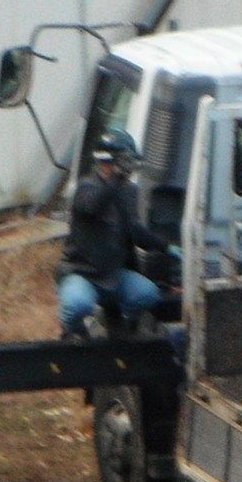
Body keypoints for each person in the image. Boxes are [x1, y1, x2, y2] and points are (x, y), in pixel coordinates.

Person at [57, 130, 167, 340]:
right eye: (124, 165)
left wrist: (164, 246)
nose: (129, 172)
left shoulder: (128, 191)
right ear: (106, 163)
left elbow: (133, 229)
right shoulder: (85, 187)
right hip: (82, 273)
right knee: (77, 304)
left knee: (147, 294)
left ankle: (116, 322)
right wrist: (115, 180)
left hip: (113, 274)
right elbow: (92, 206)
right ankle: (73, 330)